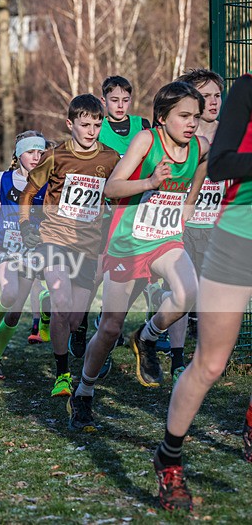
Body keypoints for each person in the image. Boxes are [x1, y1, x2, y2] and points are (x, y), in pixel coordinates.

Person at [70, 82, 209, 434]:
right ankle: (83, 391)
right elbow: (111, 188)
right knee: (110, 327)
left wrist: (188, 204)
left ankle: (147, 336)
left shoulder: (200, 146)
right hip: (128, 244)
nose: (192, 123)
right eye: (183, 116)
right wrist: (149, 182)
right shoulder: (147, 141)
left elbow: (204, 163)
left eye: (195, 116)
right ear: (162, 118)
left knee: (188, 293)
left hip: (166, 240)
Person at [151, 71, 252, 513]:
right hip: (238, 239)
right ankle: (169, 457)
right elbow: (224, 161)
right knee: (210, 363)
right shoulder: (248, 89)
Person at [18, 94, 121, 399]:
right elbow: (28, 193)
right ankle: (62, 374)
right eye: (85, 124)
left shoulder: (111, 158)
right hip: (54, 239)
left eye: (97, 124)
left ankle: (78, 321)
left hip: (89, 246)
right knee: (63, 305)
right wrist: (26, 226)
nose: (91, 130)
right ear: (70, 124)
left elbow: (118, 198)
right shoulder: (55, 156)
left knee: (74, 317)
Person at [69, 76, 153, 360]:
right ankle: (80, 324)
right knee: (95, 274)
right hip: (102, 211)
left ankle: (108, 319)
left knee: (139, 275)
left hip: (134, 211)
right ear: (103, 101)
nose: (120, 105)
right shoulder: (96, 126)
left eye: (125, 100)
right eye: (113, 100)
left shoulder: (143, 126)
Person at [161, 68, 224, 381]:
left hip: (217, 228)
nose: (212, 102)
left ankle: (207, 357)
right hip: (181, 227)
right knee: (180, 293)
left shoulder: (233, 134)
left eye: (217, 96)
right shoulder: (183, 137)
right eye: (206, 96)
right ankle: (176, 360)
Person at [0, 130, 49, 380]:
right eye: (30, 152)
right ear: (18, 154)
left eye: (40, 152)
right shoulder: (2, 179)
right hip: (5, 247)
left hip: (31, 250)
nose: (36, 157)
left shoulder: (49, 182)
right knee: (9, 291)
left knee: (15, 313)